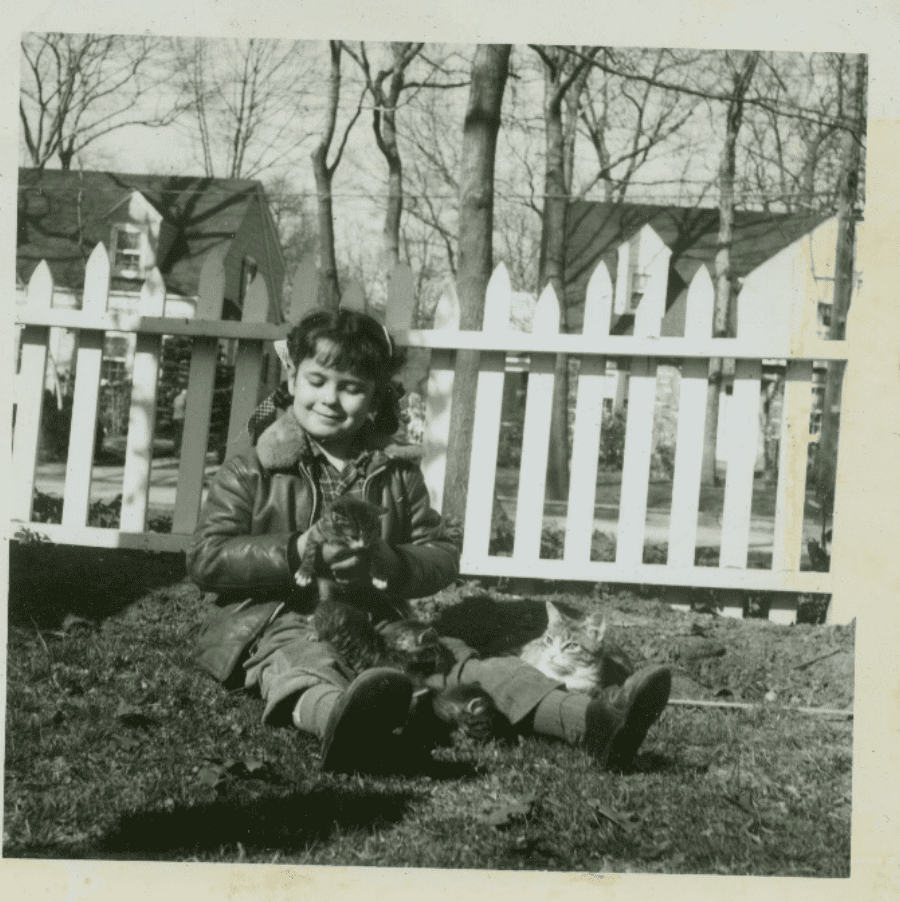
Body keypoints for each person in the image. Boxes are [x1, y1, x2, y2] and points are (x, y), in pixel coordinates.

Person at [187, 308, 671, 775]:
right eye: (317, 382)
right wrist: (296, 548)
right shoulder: (251, 469)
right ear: (293, 381)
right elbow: (208, 557)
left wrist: (388, 561)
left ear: (376, 399)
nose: (330, 399)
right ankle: (342, 720)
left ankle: (590, 721)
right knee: (304, 662)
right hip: (281, 616)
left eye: (351, 388)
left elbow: (439, 556)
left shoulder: (394, 474)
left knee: (466, 665)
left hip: (381, 620)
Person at [171, 387, 187, 456]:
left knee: (176, 435)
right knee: (181, 435)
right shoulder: (185, 398)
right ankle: (179, 452)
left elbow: (173, 407)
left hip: (175, 418)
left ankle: (175, 451)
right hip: (182, 418)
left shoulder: (176, 398)